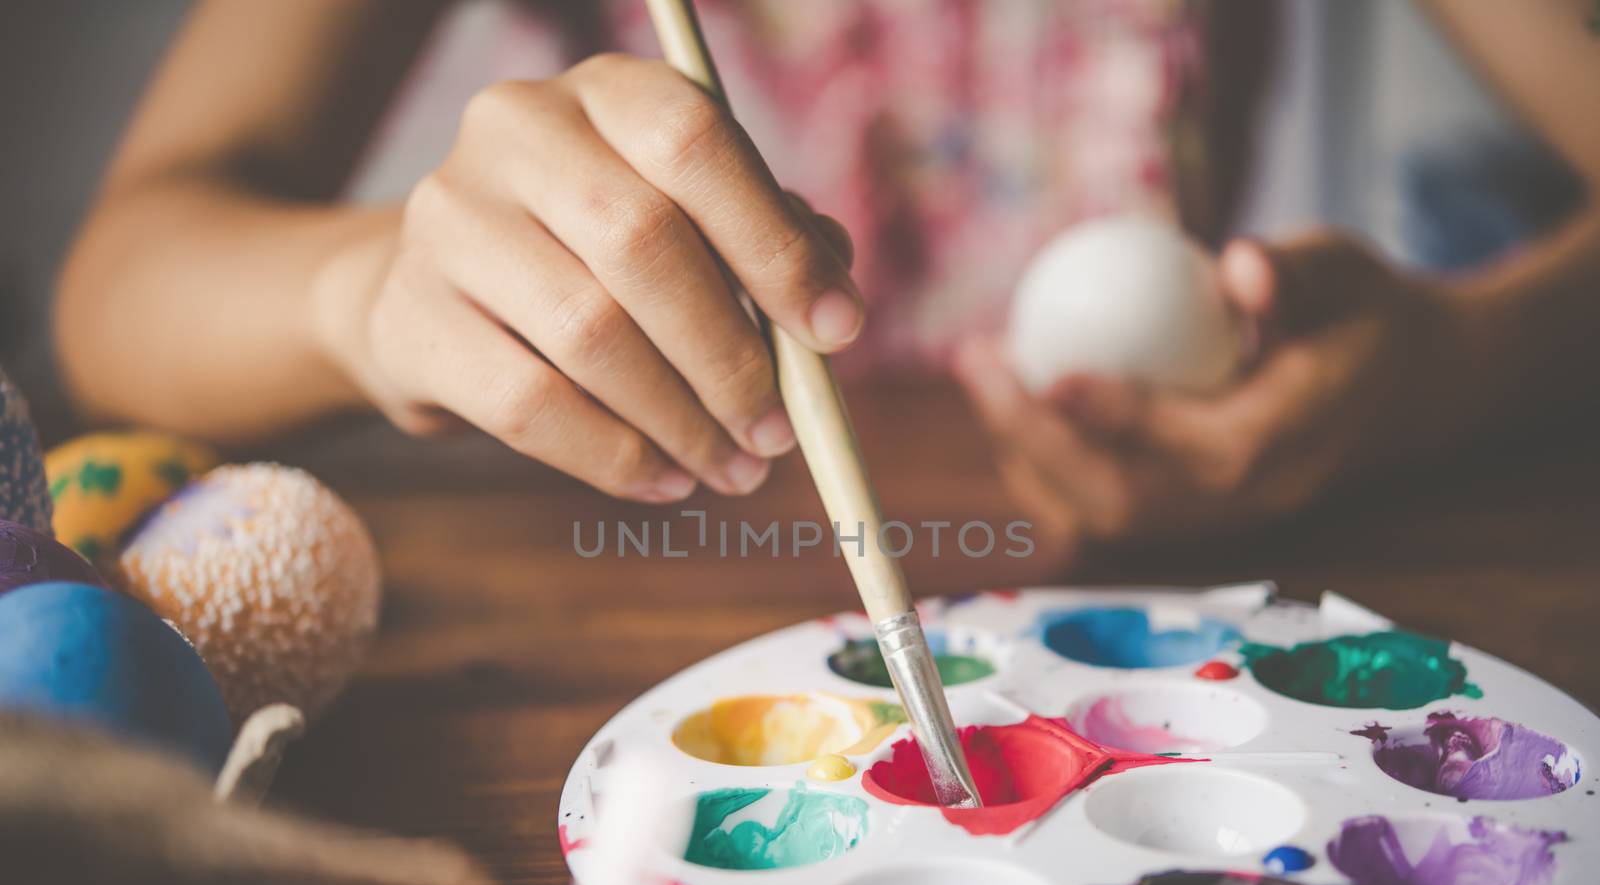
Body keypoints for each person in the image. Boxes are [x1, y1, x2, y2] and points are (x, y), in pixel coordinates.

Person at [55, 0, 1600, 562]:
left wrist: (1464, 365)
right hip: (650, 584)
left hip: (1182, 571)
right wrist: (368, 289)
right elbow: (118, 287)